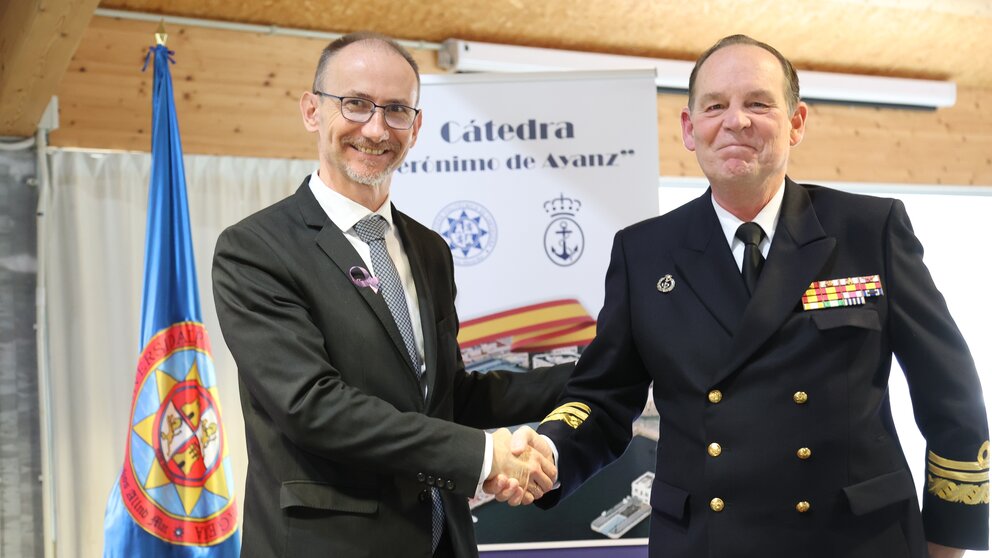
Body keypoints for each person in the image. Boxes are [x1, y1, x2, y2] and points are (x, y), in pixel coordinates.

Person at [503, 34, 989, 558]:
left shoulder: (870, 229)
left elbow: (952, 396)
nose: (736, 121)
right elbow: (604, 398)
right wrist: (550, 452)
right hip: (706, 543)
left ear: (796, 122)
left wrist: (948, 536)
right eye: (715, 106)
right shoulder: (643, 253)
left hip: (858, 542)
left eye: (758, 103)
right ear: (690, 130)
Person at [212, 32, 570, 558]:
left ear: (416, 126)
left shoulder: (429, 250)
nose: (376, 129)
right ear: (312, 111)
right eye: (355, 104)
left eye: (397, 110)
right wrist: (486, 455)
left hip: (442, 540)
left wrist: (599, 373)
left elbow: (448, 396)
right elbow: (313, 407)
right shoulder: (256, 250)